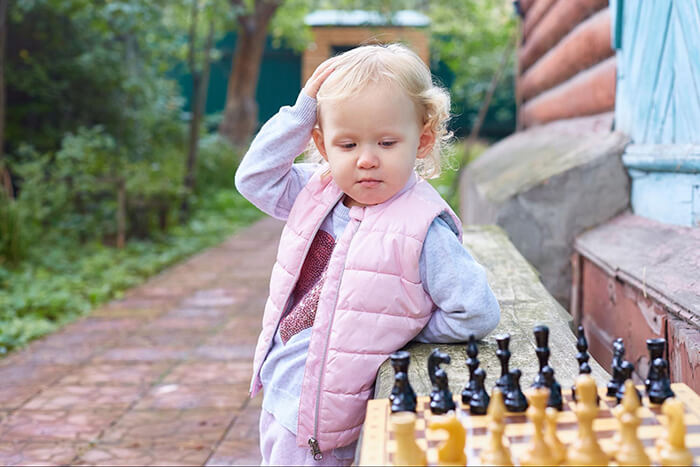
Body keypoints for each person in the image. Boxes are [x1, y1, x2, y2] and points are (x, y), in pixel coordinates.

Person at [235, 43, 500, 466]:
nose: (366, 160)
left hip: (335, 419)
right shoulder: (317, 190)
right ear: (321, 145)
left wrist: (404, 328)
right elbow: (254, 178)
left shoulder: (422, 226)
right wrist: (304, 111)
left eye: (387, 142)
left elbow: (476, 311)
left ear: (422, 139)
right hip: (282, 391)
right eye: (347, 145)